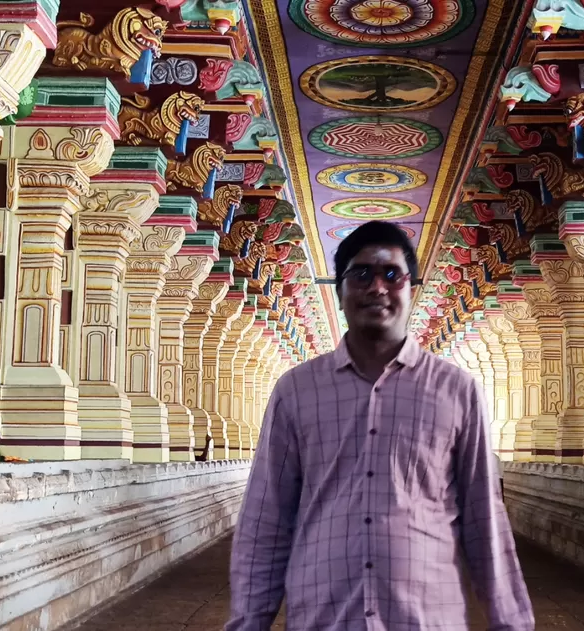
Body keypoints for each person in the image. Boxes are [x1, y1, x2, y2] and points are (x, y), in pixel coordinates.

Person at [226, 221, 534, 630]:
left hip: (425, 617)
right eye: (361, 274)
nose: (377, 288)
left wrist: (510, 622)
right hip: (325, 614)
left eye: (392, 274)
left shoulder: (456, 389)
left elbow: (484, 517)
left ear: (411, 289)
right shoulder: (296, 391)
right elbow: (267, 519)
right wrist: (248, 622)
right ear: (339, 291)